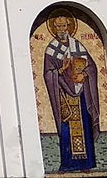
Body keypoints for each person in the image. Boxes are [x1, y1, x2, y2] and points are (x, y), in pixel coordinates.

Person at [40, 14, 100, 172]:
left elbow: (91, 67)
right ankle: (68, 164)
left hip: (81, 94)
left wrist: (85, 74)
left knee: (84, 126)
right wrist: (62, 70)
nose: (62, 30)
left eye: (64, 26)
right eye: (58, 27)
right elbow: (48, 73)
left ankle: (86, 164)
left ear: (69, 27)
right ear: (54, 29)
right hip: (63, 95)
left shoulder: (77, 46)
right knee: (67, 129)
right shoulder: (51, 49)